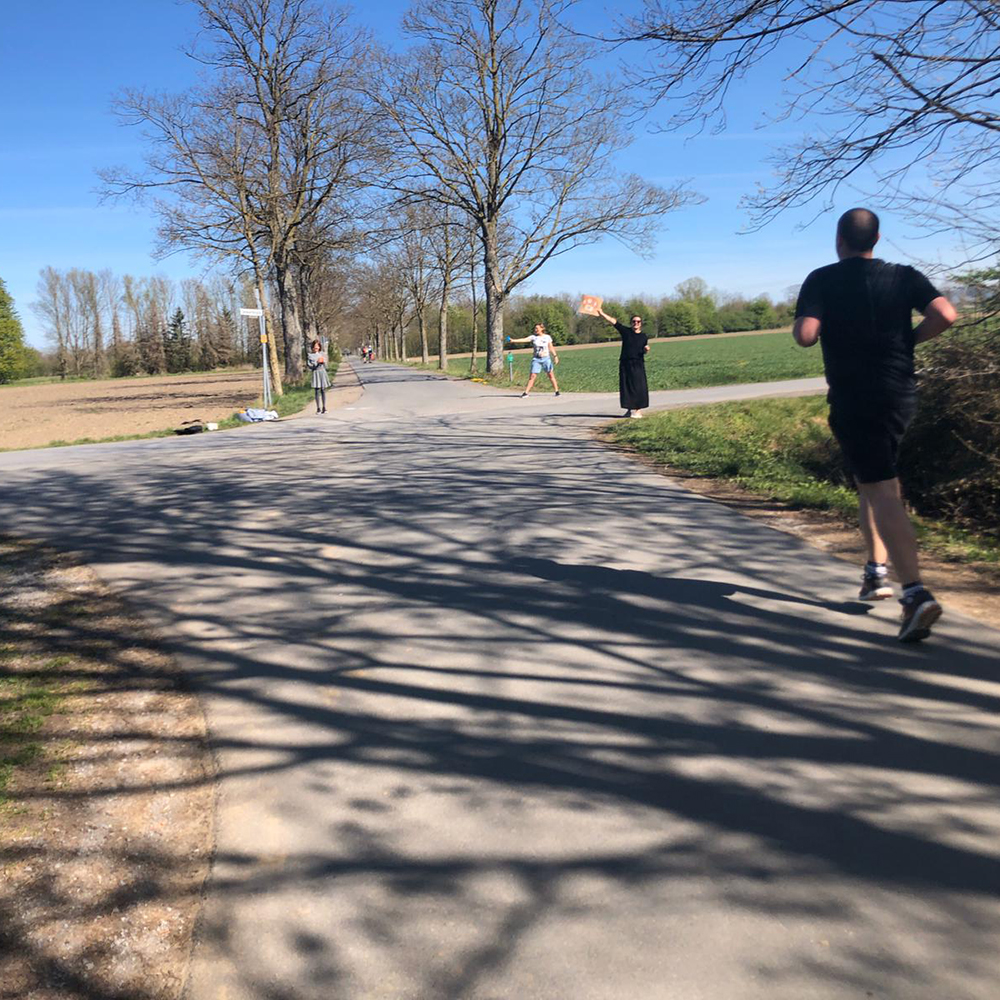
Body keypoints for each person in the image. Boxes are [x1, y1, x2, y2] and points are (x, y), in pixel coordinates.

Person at [793, 208, 956, 642]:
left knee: (881, 488)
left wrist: (814, 321)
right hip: (901, 394)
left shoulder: (822, 279)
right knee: (875, 480)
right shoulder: (904, 276)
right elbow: (946, 314)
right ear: (877, 238)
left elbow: (806, 335)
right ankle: (874, 572)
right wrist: (908, 341)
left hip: (854, 396)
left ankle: (915, 594)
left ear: (838, 240)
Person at [596, 307, 650, 417]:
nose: (636, 323)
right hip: (625, 363)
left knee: (638, 387)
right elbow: (614, 322)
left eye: (638, 322)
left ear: (641, 324)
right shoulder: (626, 332)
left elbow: (642, 351)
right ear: (631, 323)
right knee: (626, 386)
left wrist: (646, 350)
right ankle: (629, 409)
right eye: (634, 321)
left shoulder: (644, 336)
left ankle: (638, 410)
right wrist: (602, 313)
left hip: (637, 364)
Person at [506, 323, 561, 397]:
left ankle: (557, 391)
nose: (535, 330)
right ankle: (526, 393)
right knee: (532, 376)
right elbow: (524, 339)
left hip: (546, 358)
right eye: (535, 328)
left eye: (537, 328)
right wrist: (513, 340)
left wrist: (555, 356)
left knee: (550, 374)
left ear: (542, 329)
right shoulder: (533, 337)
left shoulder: (547, 337)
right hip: (536, 359)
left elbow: (550, 347)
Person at [307, 339, 330, 413]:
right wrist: (316, 363)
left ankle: (324, 407)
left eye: (317, 346)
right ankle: (318, 408)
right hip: (316, 373)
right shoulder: (310, 356)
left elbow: (326, 365)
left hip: (322, 372)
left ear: (319, 347)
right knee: (317, 390)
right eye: (315, 346)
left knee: (323, 390)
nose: (316, 347)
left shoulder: (323, 354)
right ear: (312, 347)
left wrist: (323, 362)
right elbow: (310, 366)